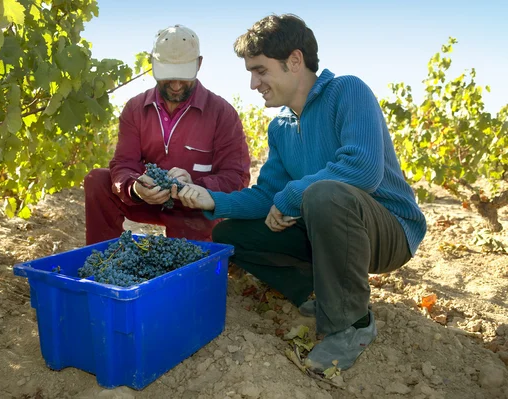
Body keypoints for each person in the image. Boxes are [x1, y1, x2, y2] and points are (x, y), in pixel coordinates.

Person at [172, 14, 427, 371]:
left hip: (388, 229)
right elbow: (268, 194)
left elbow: (362, 170)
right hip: (326, 225)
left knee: (325, 194)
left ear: (294, 61)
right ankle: (318, 293)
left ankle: (352, 324)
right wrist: (212, 199)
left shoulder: (348, 91)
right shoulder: (280, 126)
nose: (252, 83)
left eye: (260, 71)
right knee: (230, 235)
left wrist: (290, 197)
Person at [84, 24, 251, 245]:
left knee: (184, 265)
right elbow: (124, 163)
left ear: (199, 65)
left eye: (183, 76)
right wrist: (135, 188)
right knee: (98, 181)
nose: (174, 85)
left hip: (194, 209)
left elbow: (237, 176)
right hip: (149, 200)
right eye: (167, 76)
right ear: (153, 64)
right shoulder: (135, 109)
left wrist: (198, 185)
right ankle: (102, 260)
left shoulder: (222, 114)